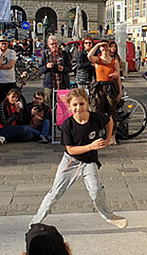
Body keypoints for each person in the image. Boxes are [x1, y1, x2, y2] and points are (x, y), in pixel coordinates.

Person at [31, 88, 128, 228]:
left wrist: (108, 138)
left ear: (87, 103)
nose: (79, 108)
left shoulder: (95, 118)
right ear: (69, 107)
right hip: (71, 161)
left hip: (89, 162)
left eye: (82, 104)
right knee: (55, 192)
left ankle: (108, 216)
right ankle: (36, 221)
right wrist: (91, 146)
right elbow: (71, 149)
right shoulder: (67, 125)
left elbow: (109, 121)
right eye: (75, 105)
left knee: (96, 190)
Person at [87, 41, 122, 143]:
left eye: (106, 48)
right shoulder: (98, 60)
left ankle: (112, 135)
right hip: (99, 87)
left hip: (110, 87)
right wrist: (97, 45)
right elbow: (89, 56)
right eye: (102, 49)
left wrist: (120, 91)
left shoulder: (114, 61)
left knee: (112, 110)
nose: (105, 51)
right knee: (98, 110)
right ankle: (98, 134)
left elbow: (118, 78)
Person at [40, 35, 72, 108]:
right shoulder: (45, 55)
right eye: (52, 44)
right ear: (48, 45)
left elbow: (70, 68)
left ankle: (61, 120)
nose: (54, 45)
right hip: (49, 85)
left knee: (62, 106)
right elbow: (40, 70)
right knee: (48, 106)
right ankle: (50, 119)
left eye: (56, 43)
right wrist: (46, 66)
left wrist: (63, 69)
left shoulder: (64, 54)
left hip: (62, 84)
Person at [0, 35, 18, 105]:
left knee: (11, 102)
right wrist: (2, 55)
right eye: (2, 43)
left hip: (10, 81)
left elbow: (10, 65)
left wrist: (0, 66)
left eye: (5, 43)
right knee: (0, 102)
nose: (3, 45)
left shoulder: (12, 52)